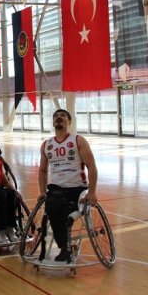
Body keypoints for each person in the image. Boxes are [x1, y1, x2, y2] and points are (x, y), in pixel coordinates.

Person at [38, 109, 98, 263]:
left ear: (69, 122)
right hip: (56, 189)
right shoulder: (46, 144)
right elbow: (43, 170)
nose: (59, 118)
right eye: (56, 116)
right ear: (52, 122)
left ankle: (65, 247)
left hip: (77, 189)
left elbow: (91, 166)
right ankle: (65, 247)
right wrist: (42, 191)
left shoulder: (78, 140)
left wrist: (92, 192)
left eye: (63, 116)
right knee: (51, 211)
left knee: (64, 213)